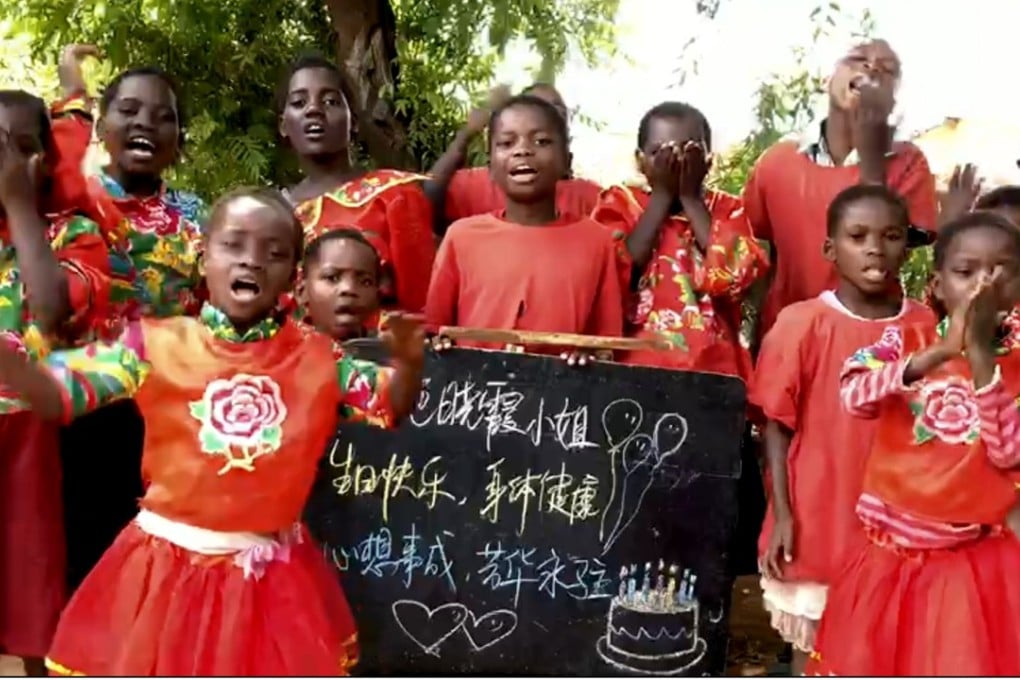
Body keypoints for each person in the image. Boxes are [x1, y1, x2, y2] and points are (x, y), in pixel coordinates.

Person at [0, 186, 425, 676]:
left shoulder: (319, 359)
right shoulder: (152, 344)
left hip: (268, 584)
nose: (252, 262)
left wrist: (409, 364)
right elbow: (58, 395)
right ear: (204, 258)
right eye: (234, 245)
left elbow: (389, 405)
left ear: (292, 277)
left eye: (274, 253)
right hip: (163, 577)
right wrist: (11, 365)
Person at [807, 211, 1020, 676]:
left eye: (1000, 271)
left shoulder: (1016, 365)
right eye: (966, 272)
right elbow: (853, 395)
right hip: (887, 559)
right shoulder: (902, 340)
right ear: (939, 284)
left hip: (967, 570)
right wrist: (940, 354)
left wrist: (982, 359)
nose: (983, 284)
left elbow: (1008, 454)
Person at [751, 184, 933, 674]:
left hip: (898, 523)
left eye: (891, 235)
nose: (875, 247)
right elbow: (776, 426)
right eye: (858, 235)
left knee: (888, 646)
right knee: (812, 649)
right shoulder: (802, 323)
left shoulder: (925, 328)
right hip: (819, 513)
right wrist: (783, 514)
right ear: (831, 249)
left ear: (906, 245)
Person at [50, 56, 209, 592]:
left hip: (167, 418)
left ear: (179, 138)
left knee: (150, 557)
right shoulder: (74, 202)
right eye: (129, 109)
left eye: (163, 116)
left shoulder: (197, 222)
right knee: (79, 550)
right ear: (103, 125)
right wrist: (72, 92)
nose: (145, 122)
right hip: (82, 408)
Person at [0, 90, 110, 677]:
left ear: (50, 159)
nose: (9, 164)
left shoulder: (75, 234)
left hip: (34, 442)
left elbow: (52, 312)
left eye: (24, 148)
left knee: (32, 595)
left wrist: (19, 206)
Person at [743, 39, 938, 340]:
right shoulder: (776, 163)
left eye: (887, 70)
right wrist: (758, 340)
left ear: (893, 100)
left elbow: (881, 252)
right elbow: (759, 261)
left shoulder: (908, 163)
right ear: (828, 79)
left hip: (872, 347)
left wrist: (872, 156)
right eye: (857, 58)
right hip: (787, 341)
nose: (871, 67)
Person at [425, 94, 623, 352]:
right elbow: (435, 332)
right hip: (475, 391)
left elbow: (606, 345)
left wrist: (588, 357)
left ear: (566, 160)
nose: (523, 150)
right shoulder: (461, 237)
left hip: (561, 389)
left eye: (541, 141)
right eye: (507, 143)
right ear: (491, 165)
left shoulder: (597, 241)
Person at [592, 101, 768, 379]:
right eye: (659, 153)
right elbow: (614, 273)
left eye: (688, 153)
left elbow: (736, 275)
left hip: (713, 370)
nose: (673, 163)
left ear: (708, 161)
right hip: (633, 366)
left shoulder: (728, 209)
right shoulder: (620, 203)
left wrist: (690, 199)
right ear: (639, 161)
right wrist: (662, 196)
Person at [279, 54, 435, 315]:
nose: (313, 109)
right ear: (283, 125)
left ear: (354, 123)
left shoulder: (394, 194)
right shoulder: (274, 213)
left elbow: (422, 308)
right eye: (298, 102)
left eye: (330, 101)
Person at [428, 83, 602, 229]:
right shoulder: (482, 186)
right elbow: (427, 201)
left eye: (557, 110)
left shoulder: (591, 197)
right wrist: (465, 135)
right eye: (535, 108)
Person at [300, 226, 382, 341]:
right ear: (302, 291)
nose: (348, 289)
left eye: (365, 282)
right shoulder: (277, 354)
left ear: (377, 297)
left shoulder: (393, 356)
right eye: (332, 278)